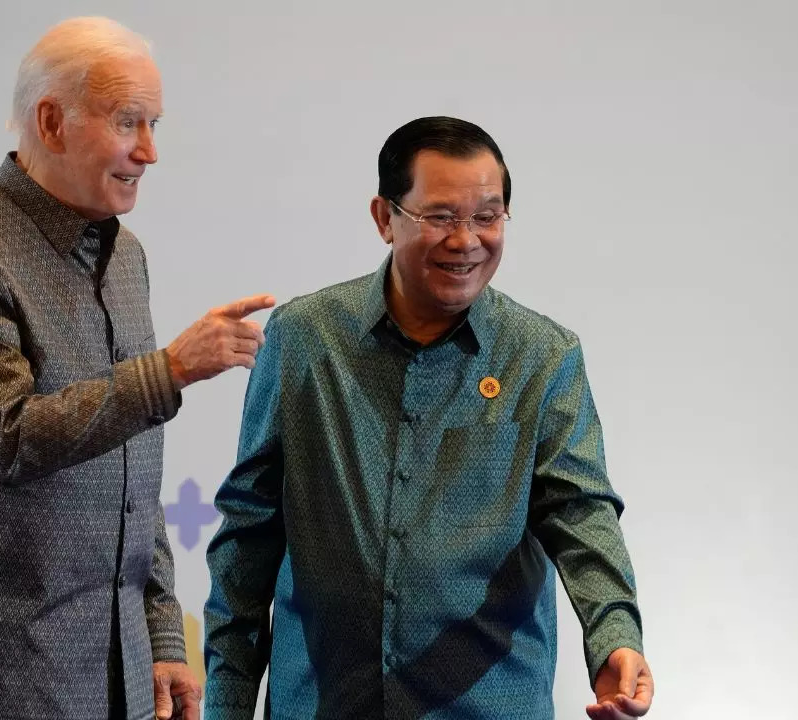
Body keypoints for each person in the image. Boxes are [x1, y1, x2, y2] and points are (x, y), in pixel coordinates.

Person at [0, 17, 273, 720]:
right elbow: (5, 435)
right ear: (51, 120)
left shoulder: (125, 256)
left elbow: (132, 476)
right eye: (129, 121)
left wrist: (161, 635)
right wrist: (168, 372)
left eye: (155, 122)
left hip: (110, 675)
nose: (150, 151)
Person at [203, 116, 653, 720]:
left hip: (491, 705)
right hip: (322, 703)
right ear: (384, 217)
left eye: (488, 217)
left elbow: (581, 515)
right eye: (439, 217)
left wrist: (614, 634)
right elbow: (249, 537)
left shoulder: (543, 356)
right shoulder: (304, 339)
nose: (465, 240)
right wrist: (226, 705)